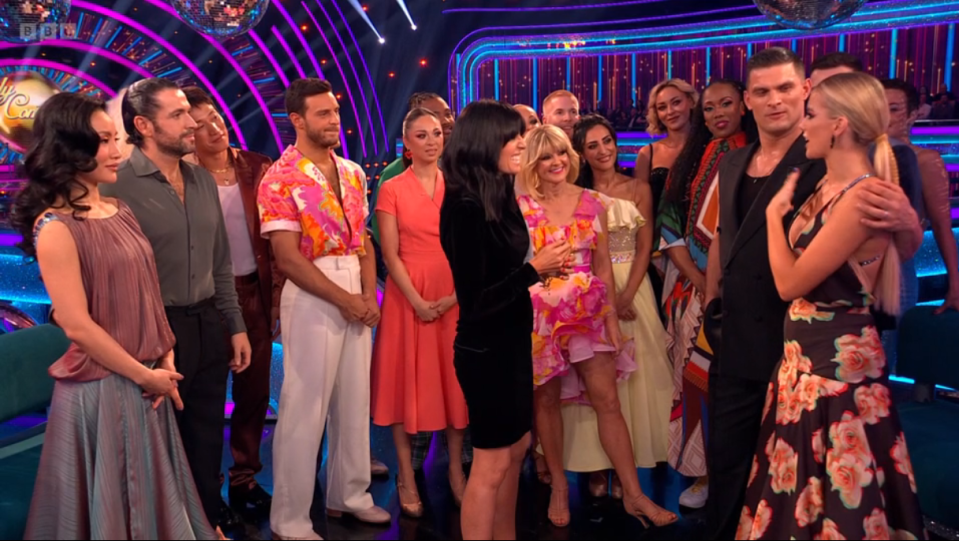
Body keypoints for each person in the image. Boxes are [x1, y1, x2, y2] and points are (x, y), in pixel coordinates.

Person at [705, 47, 922, 541]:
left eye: (787, 89)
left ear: (807, 95)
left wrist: (909, 223)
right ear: (748, 99)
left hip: (820, 353)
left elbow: (897, 238)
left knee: (826, 481)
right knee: (742, 467)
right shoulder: (733, 159)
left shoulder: (832, 160)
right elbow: (724, 239)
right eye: (762, 91)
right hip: (758, 343)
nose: (778, 102)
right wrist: (712, 305)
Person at [14, 92, 215, 540]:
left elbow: (146, 288)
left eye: (115, 139)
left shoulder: (119, 209)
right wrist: (145, 376)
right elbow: (77, 325)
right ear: (70, 148)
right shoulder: (55, 228)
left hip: (146, 383)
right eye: (104, 141)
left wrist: (163, 355)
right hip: (102, 390)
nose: (118, 151)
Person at [101, 78, 252, 537]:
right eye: (179, 115)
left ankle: (206, 524)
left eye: (191, 112)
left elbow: (220, 262)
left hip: (207, 322)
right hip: (148, 331)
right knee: (154, 445)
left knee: (206, 438)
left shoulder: (202, 180)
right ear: (143, 125)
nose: (193, 123)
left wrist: (236, 324)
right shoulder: (116, 186)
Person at [516, 125, 677, 530]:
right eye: (546, 156)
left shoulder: (592, 201)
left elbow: (603, 265)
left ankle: (635, 494)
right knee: (547, 403)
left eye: (560, 154)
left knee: (608, 401)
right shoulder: (519, 206)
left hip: (589, 313)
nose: (555, 163)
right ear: (533, 163)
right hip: (541, 315)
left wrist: (609, 320)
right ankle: (557, 486)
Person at [259, 78, 389, 541]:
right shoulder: (279, 177)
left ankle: (350, 496)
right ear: (297, 120)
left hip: (356, 284)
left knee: (355, 399)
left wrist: (368, 296)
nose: (334, 120)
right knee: (304, 405)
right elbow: (287, 258)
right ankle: (290, 518)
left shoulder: (353, 171)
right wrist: (348, 300)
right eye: (323, 114)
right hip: (313, 290)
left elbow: (365, 239)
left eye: (335, 111)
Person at [438, 100, 568, 540]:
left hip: (512, 342)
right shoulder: (464, 208)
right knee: (493, 460)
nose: (522, 143)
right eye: (513, 135)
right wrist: (536, 270)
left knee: (516, 450)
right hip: (483, 350)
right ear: (485, 141)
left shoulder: (499, 195)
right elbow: (474, 301)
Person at [183, 86, 279, 520]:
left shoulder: (258, 166)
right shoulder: (181, 177)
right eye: (200, 125)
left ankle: (245, 477)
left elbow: (279, 237)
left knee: (254, 393)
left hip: (254, 292)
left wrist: (275, 297)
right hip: (204, 299)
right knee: (203, 400)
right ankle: (206, 490)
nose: (214, 129)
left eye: (216, 118)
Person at [569, 115, 673, 501]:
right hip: (592, 288)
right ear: (581, 153)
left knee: (640, 378)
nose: (603, 150)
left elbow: (646, 245)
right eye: (592, 145)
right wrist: (607, 299)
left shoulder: (638, 187)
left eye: (607, 141)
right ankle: (597, 466)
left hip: (635, 284)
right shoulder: (576, 194)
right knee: (595, 384)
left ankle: (632, 468)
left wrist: (628, 294)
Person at [657, 80, 751, 509]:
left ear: (743, 105)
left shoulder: (756, 153)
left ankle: (741, 475)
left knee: (734, 387)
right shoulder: (693, 157)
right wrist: (695, 276)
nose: (718, 114)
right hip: (690, 288)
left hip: (743, 291)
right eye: (711, 107)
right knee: (694, 382)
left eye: (725, 104)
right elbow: (670, 220)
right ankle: (703, 474)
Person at [371, 108, 468, 516]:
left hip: (454, 292)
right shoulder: (391, 187)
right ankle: (406, 477)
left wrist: (452, 298)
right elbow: (389, 253)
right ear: (406, 145)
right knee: (404, 382)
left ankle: (456, 473)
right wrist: (415, 300)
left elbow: (469, 247)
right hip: (406, 295)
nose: (432, 141)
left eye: (436, 134)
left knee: (455, 381)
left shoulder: (461, 184)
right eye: (421, 136)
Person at [881, 79, 959, 314]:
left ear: (912, 115)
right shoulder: (859, 156)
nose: (883, 116)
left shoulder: (925, 159)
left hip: (897, 273)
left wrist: (954, 285)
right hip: (858, 272)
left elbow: (941, 225)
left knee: (886, 348)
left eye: (893, 109)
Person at [636, 78, 698, 318]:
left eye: (676, 103)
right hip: (660, 253)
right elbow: (641, 213)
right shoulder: (647, 153)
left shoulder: (710, 147)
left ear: (691, 102)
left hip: (702, 245)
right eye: (662, 107)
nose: (670, 111)